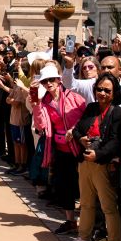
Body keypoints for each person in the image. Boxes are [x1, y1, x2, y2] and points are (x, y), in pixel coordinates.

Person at [67, 72, 121, 241]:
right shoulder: (91, 108)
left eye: (106, 90)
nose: (102, 93)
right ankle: (84, 239)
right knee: (86, 203)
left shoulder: (119, 114)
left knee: (108, 207)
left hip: (103, 164)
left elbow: (115, 141)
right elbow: (78, 128)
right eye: (99, 89)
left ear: (114, 92)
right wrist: (81, 138)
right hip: (85, 161)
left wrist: (99, 154)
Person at [33, 65, 86, 229]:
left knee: (84, 186)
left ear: (58, 80)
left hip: (79, 147)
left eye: (51, 80)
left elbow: (87, 119)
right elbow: (40, 125)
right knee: (65, 185)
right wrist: (35, 104)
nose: (48, 83)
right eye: (44, 81)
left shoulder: (74, 97)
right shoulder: (45, 102)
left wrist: (75, 130)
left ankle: (89, 223)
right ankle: (71, 221)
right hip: (61, 149)